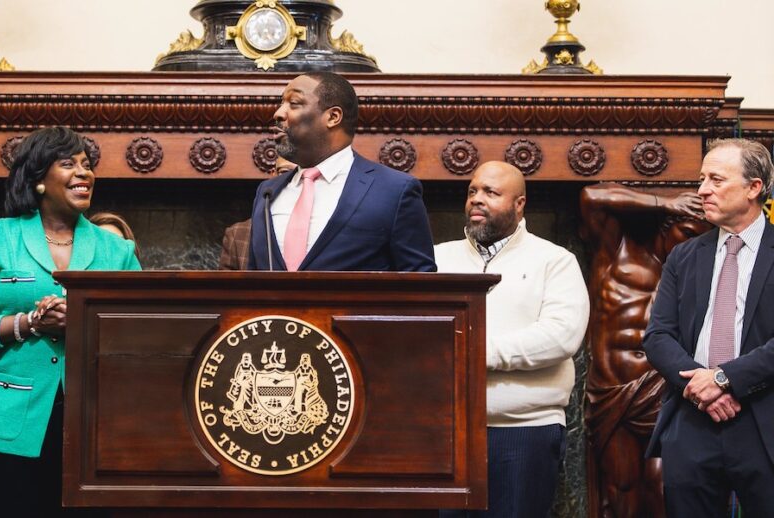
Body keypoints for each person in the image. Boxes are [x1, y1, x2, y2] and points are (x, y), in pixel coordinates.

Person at [0, 126, 140, 518]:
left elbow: (141, 335)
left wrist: (84, 322)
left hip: (94, 428)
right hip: (7, 426)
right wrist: (29, 323)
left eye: (87, 165)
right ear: (37, 181)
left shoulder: (117, 250)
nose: (83, 173)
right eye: (68, 164)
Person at [436, 161, 589, 518]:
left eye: (491, 192)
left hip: (524, 432)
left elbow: (561, 335)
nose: (477, 199)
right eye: (473, 191)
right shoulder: (436, 257)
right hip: (445, 432)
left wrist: (477, 353)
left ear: (520, 204)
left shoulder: (555, 261)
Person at [643, 138, 774, 517]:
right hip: (692, 419)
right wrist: (701, 387)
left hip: (763, 418)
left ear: (754, 187)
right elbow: (658, 336)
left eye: (716, 180)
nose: (702, 190)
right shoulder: (685, 255)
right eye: (702, 179)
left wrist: (724, 379)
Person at [579, 182, 709, 518]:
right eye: (687, 232)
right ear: (668, 226)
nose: (692, 243)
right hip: (614, 390)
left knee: (664, 485)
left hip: (664, 392)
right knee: (621, 488)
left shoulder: (694, 278)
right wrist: (665, 203)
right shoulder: (617, 252)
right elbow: (591, 197)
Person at [247, 72, 435, 272]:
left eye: (293, 103)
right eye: (281, 103)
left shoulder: (394, 191)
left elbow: (419, 284)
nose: (278, 113)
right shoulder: (267, 192)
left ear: (333, 117)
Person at [221, 158, 297, 270]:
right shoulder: (238, 234)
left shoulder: (328, 230)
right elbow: (224, 287)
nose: (295, 181)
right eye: (285, 172)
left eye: (302, 175)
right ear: (273, 175)